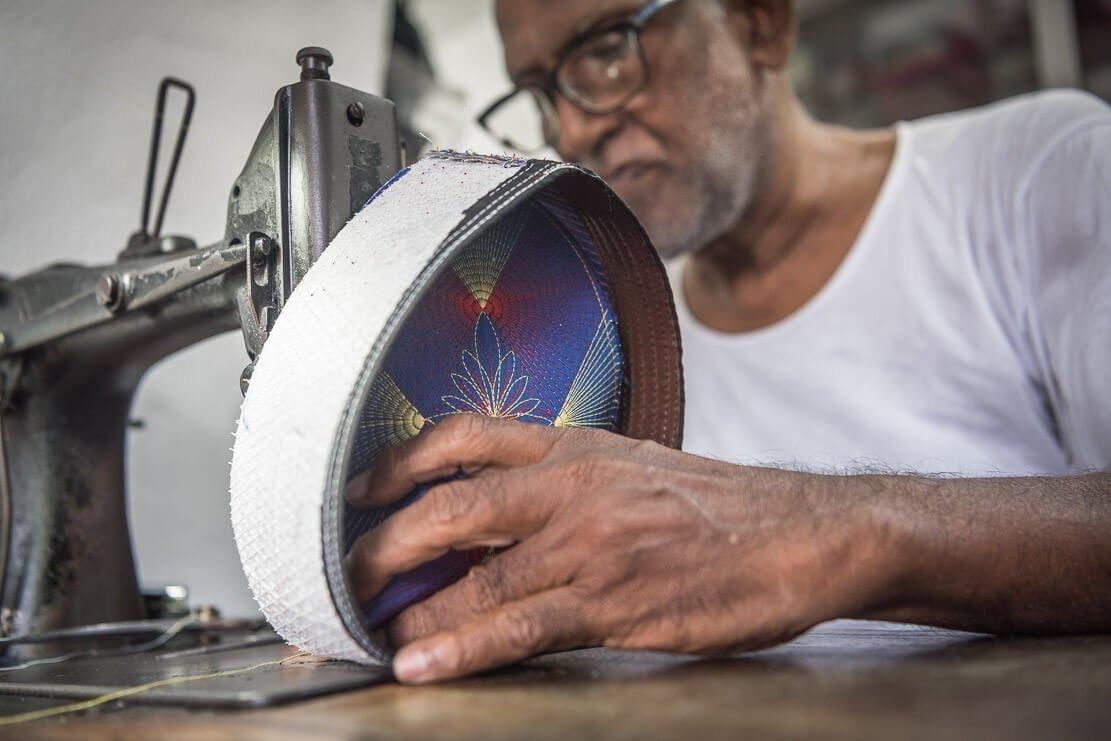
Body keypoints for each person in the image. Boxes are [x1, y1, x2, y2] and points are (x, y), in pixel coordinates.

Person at [346, 0, 1111, 684]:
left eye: (607, 48)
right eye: (541, 90)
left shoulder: (1034, 172)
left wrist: (819, 534)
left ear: (760, 23)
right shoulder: (611, 342)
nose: (572, 129)